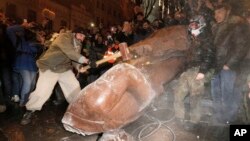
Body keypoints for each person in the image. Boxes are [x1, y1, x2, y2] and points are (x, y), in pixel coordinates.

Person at [20, 27, 89, 125]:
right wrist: (85, 60)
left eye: (84, 37)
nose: (82, 38)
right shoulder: (64, 37)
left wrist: (79, 67)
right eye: (81, 35)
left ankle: (78, 110)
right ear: (75, 33)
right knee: (43, 91)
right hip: (50, 67)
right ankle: (30, 110)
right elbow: (69, 51)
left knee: (74, 87)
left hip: (64, 69)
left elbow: (74, 59)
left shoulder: (78, 44)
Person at [174, 14, 215, 130]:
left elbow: (209, 55)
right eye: (191, 25)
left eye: (194, 25)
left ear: (201, 25)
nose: (192, 27)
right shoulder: (192, 39)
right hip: (189, 70)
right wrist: (182, 70)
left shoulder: (206, 39)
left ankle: (194, 121)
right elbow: (188, 57)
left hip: (199, 69)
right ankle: (179, 117)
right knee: (178, 93)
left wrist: (202, 71)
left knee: (195, 97)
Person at [211, 4, 250, 124]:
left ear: (227, 12)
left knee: (227, 93)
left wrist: (229, 64)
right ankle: (219, 116)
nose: (216, 15)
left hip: (228, 67)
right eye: (215, 13)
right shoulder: (217, 26)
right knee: (215, 92)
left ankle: (228, 117)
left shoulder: (236, 26)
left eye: (220, 12)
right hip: (217, 65)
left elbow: (241, 47)